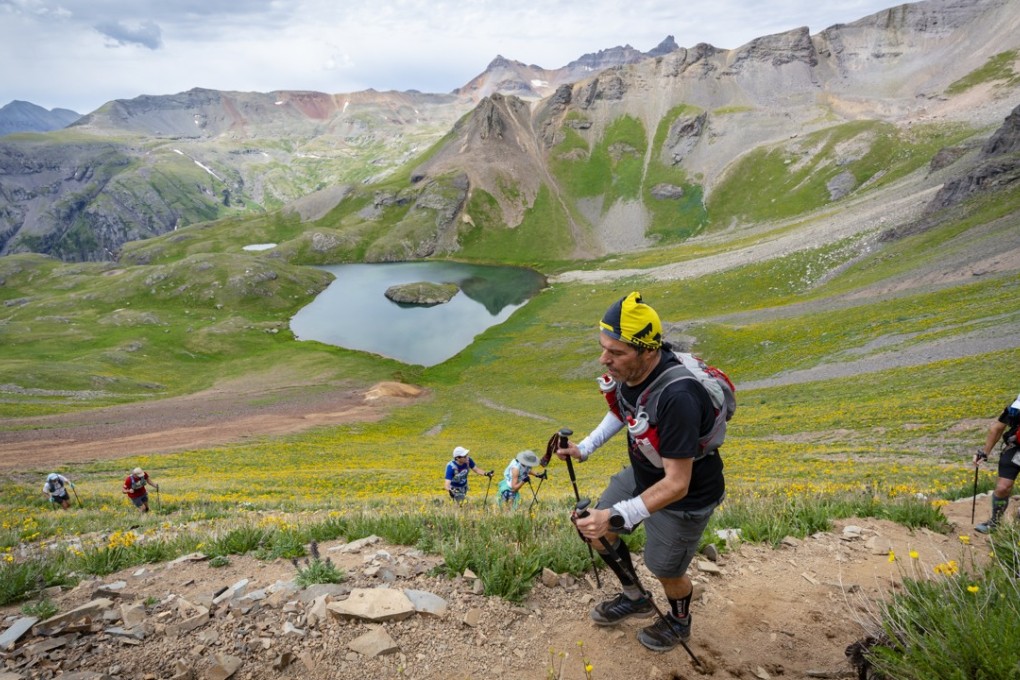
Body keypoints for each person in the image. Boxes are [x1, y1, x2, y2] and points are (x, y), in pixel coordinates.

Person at [555, 291, 725, 653]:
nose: (605, 359)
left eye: (616, 352)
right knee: (593, 529)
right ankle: (634, 597)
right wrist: (583, 448)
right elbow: (626, 408)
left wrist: (617, 515)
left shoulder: (679, 397)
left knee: (665, 569)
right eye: (604, 348)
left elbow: (678, 483)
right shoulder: (634, 371)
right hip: (645, 472)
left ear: (649, 350)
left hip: (686, 496)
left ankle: (679, 622)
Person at [973, 392, 1020, 533]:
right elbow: (997, 428)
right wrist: (984, 453)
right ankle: (995, 521)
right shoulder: (1013, 408)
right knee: (1002, 488)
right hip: (1016, 448)